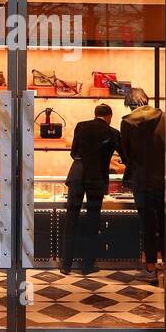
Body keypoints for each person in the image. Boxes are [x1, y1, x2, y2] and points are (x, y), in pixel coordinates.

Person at [62, 103, 123, 274]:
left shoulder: (81, 126)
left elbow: (73, 153)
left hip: (77, 174)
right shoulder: (113, 133)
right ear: (109, 116)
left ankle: (66, 265)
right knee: (92, 221)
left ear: (95, 114)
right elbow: (124, 156)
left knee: (71, 218)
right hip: (96, 179)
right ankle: (87, 265)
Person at [120, 88, 166, 285]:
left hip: (142, 180)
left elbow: (126, 152)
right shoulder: (164, 117)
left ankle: (150, 268)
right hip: (165, 179)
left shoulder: (127, 122)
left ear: (130, 104)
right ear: (146, 100)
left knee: (148, 225)